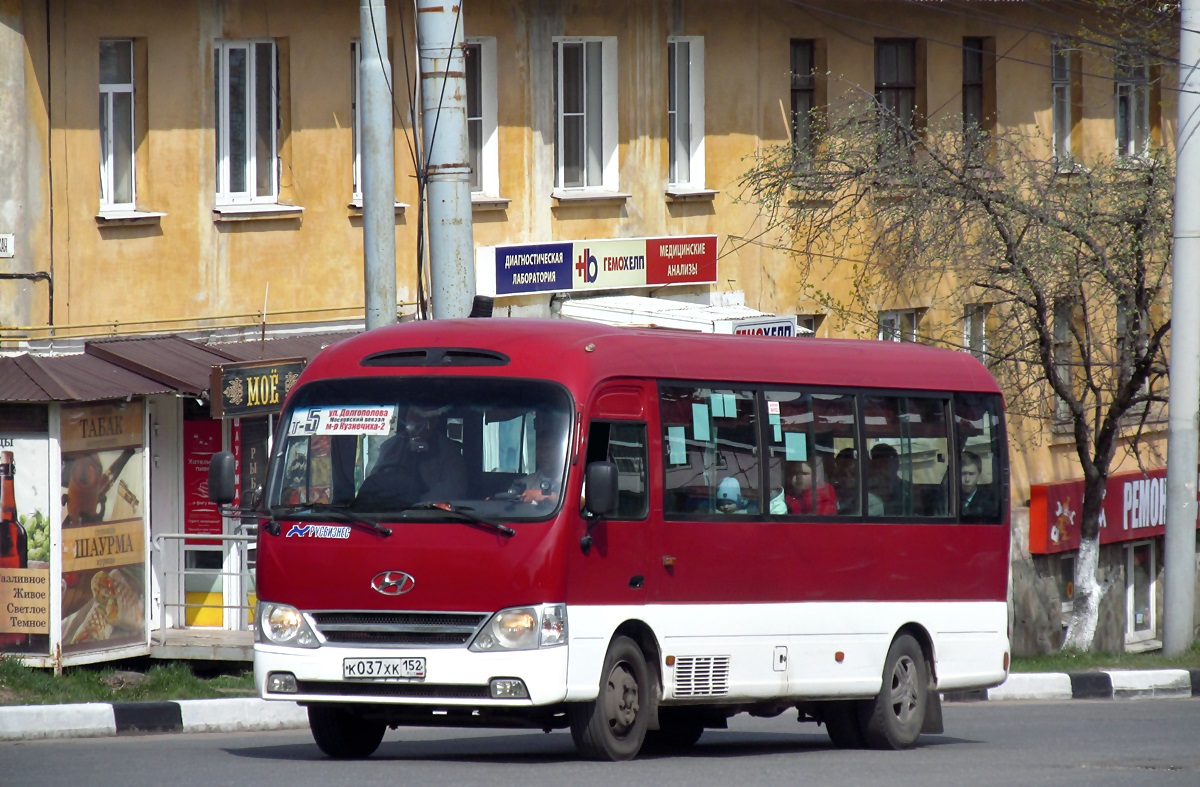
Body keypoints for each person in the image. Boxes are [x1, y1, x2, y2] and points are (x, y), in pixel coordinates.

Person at [353, 406, 466, 511]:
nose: (413, 424)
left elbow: (453, 490)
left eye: (419, 420)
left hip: (431, 514)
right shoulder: (391, 446)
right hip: (388, 513)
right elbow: (375, 480)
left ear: (432, 422)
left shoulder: (449, 451)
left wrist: (418, 502)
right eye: (411, 417)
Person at [512, 410, 569, 507]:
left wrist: (550, 496)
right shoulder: (526, 484)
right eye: (539, 449)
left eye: (548, 449)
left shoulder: (575, 480)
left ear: (560, 452)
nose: (543, 454)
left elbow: (582, 503)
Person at [830, 448, 885, 516]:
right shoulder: (830, 495)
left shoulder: (872, 503)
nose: (848, 477)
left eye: (853, 473)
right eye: (843, 473)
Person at [868, 442, 911, 516]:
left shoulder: (908, 489)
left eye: (892, 461)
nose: (889, 466)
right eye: (882, 464)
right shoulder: (865, 491)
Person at [960, 450, 995, 518]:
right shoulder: (948, 499)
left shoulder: (988, 503)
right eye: (963, 474)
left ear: (979, 475)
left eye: (971, 474)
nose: (967, 479)